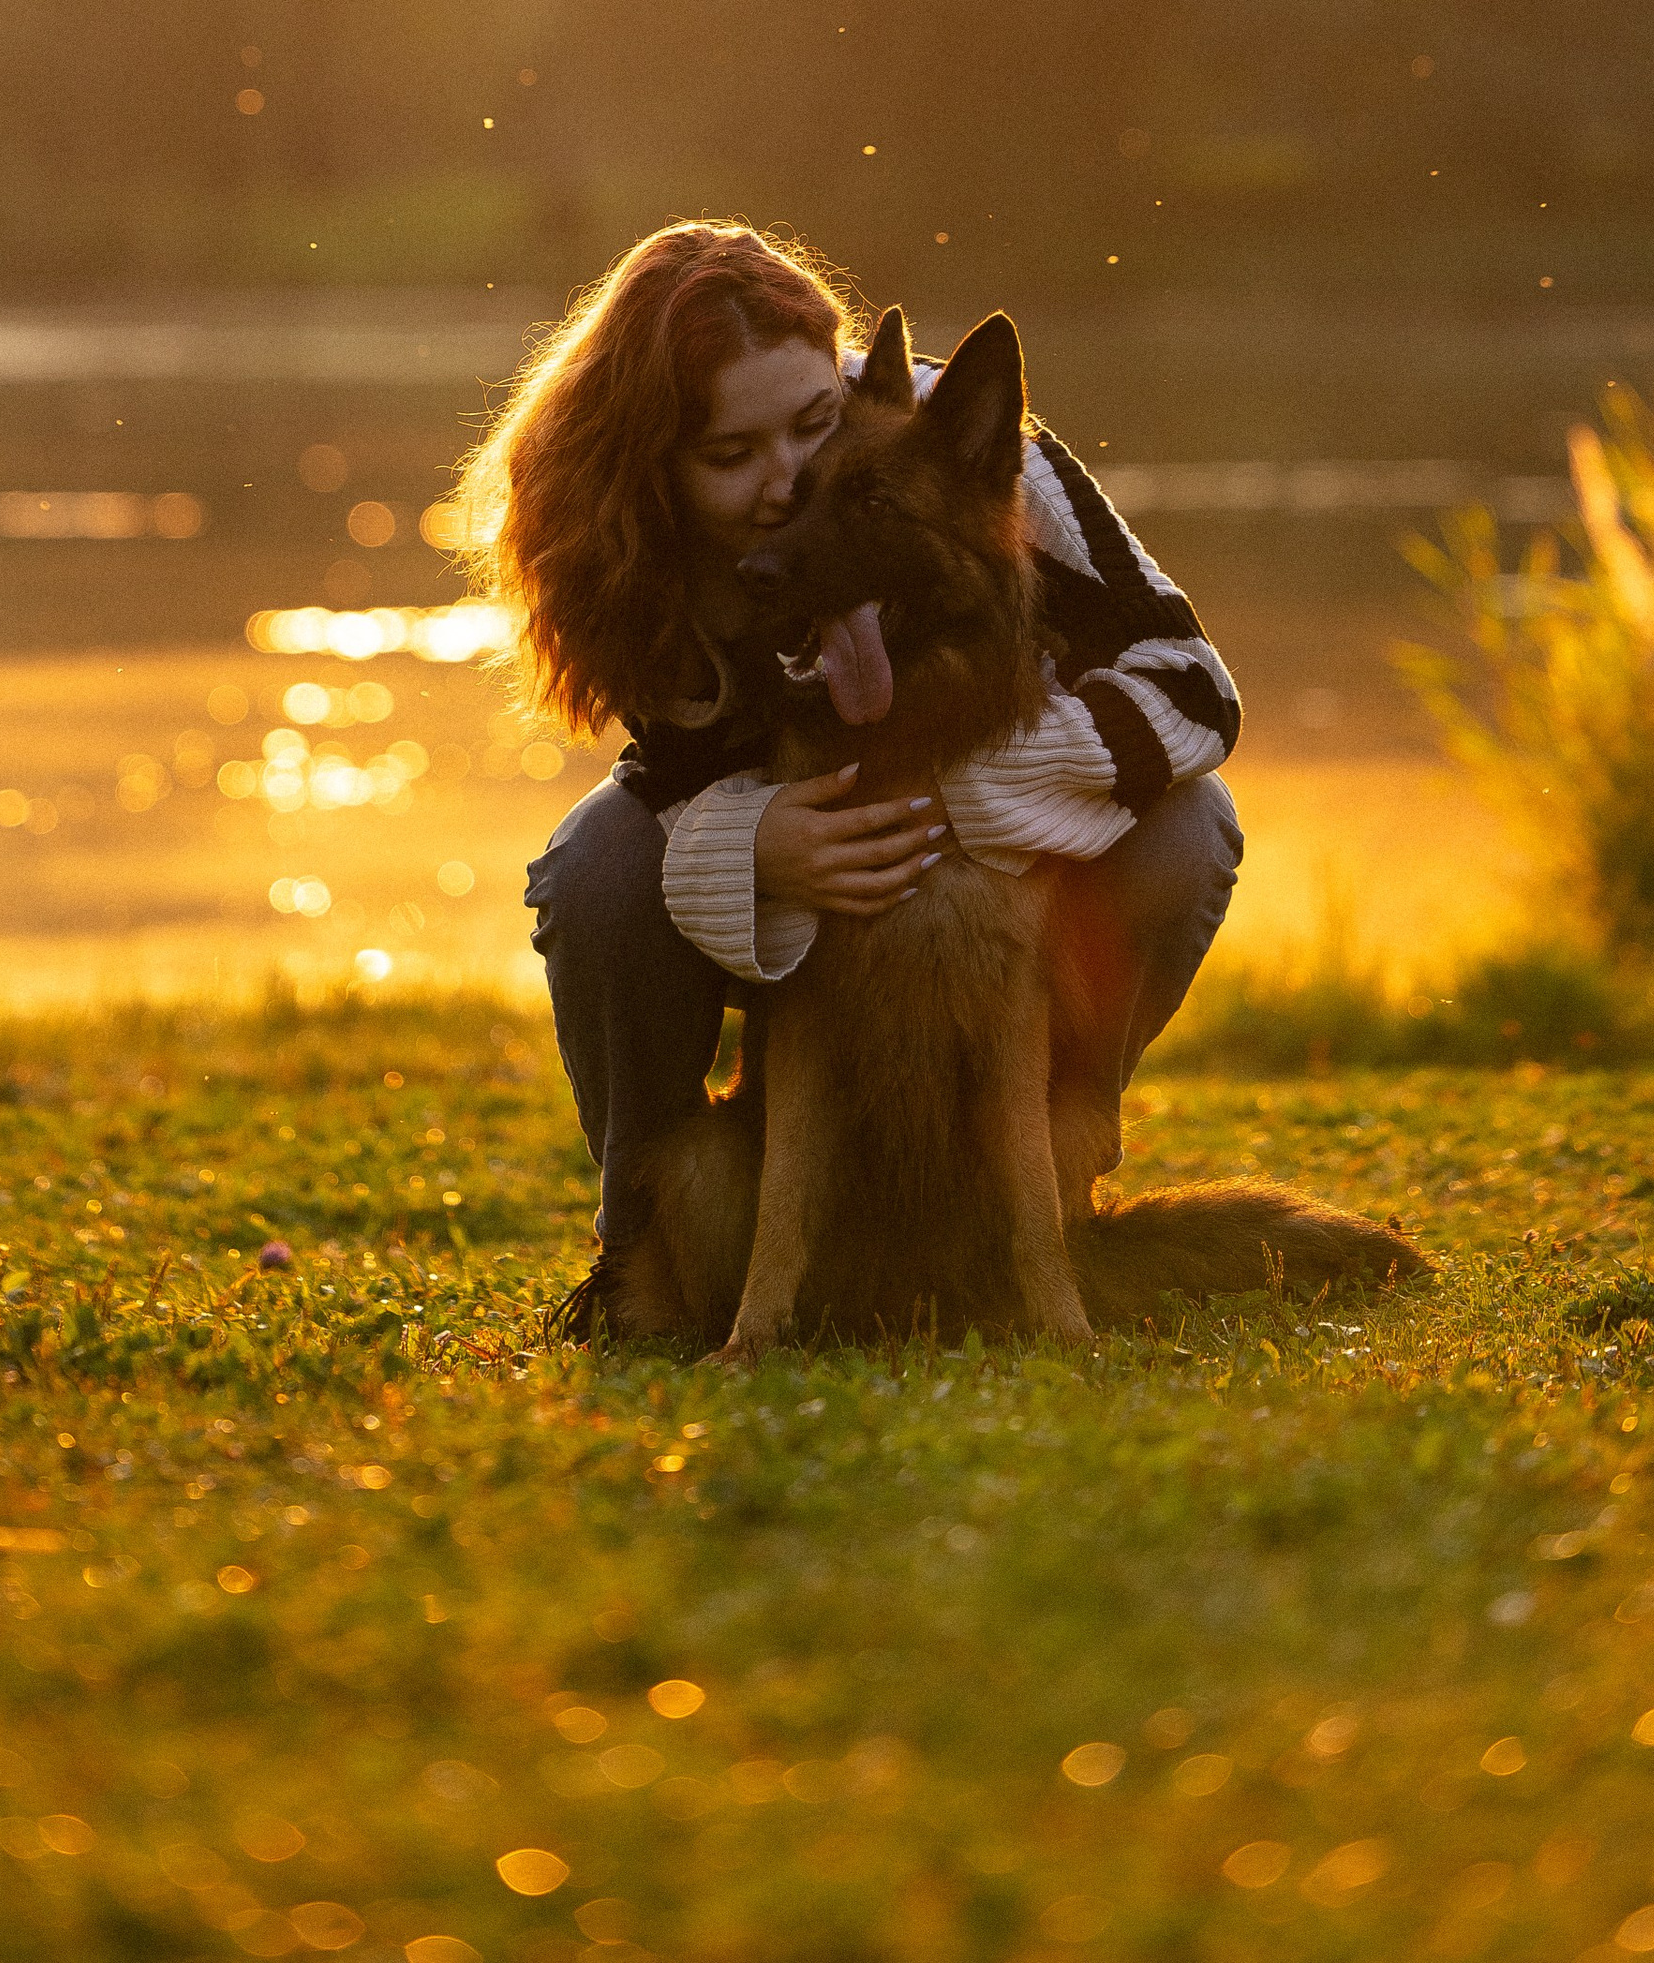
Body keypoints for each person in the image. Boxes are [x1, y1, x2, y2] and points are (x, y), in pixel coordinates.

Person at [462, 220, 1244, 1305]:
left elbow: (1196, 688)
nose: (788, 482)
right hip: (801, 886)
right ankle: (641, 1253)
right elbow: (674, 773)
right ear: (661, 464)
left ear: (844, 379)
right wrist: (751, 843)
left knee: (1189, 826)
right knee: (599, 868)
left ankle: (1042, 1170)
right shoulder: (635, 549)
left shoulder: (957, 448)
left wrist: (964, 798)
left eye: (812, 422)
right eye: (732, 455)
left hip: (993, 857)